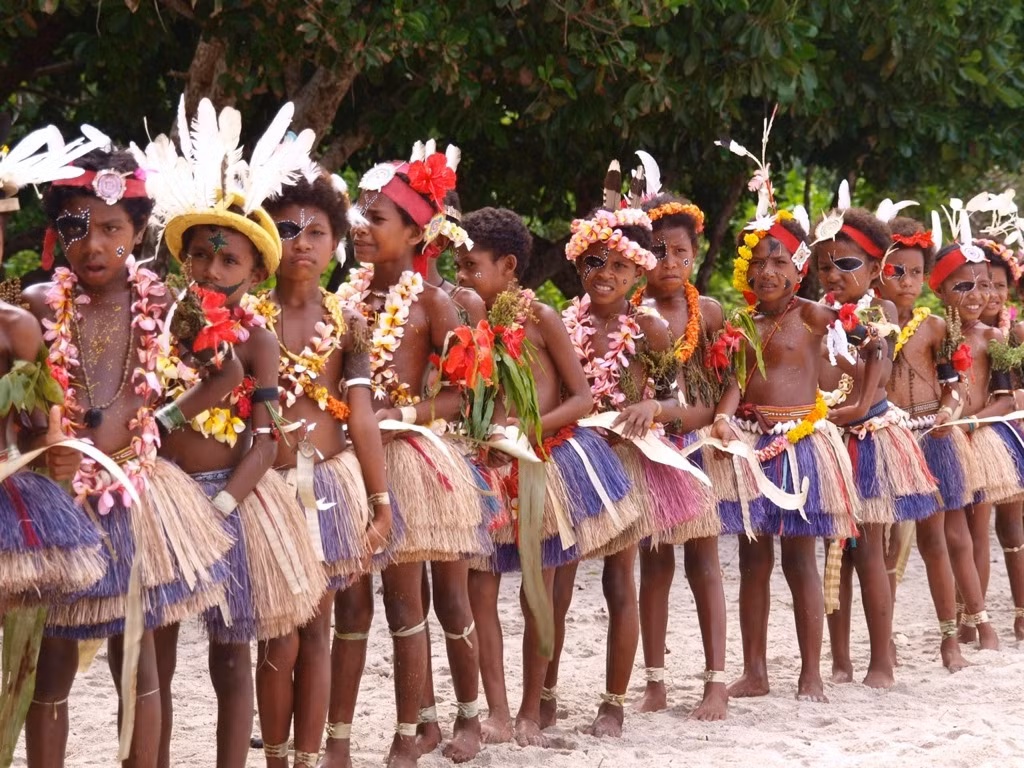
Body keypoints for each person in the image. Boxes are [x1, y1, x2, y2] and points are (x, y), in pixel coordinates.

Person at [136, 97, 332, 768]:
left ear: (255, 274)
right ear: (184, 260)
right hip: (164, 494)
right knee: (153, 643)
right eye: (200, 257)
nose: (211, 272)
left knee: (232, 648)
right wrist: (191, 401)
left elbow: (269, 437)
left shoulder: (260, 339)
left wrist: (225, 505)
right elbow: (151, 415)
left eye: (229, 263)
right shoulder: (161, 324)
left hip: (233, 498)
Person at [23, 144, 234, 768]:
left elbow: (226, 374)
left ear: (138, 230)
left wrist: (160, 419)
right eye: (75, 228)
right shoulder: (36, 303)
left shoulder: (169, 303)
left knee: (139, 663)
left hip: (139, 494)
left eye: (111, 228)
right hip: (60, 499)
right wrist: (41, 443)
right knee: (52, 664)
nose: (93, 245)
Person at [337, 142, 491, 767]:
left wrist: (400, 415)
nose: (361, 230)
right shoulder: (342, 299)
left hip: (421, 460)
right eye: (360, 217)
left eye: (376, 219)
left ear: (413, 231)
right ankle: (417, 725)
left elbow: (466, 394)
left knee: (442, 599)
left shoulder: (433, 303)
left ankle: (465, 719)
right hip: (358, 460)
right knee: (383, 601)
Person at [454, 206, 630, 746]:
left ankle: (532, 710)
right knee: (479, 589)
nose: (460, 275)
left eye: (471, 265)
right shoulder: (461, 320)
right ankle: (499, 712)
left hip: (543, 463)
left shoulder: (541, 318)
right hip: (485, 466)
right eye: (456, 264)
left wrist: (527, 429)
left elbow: (580, 398)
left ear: (508, 266)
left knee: (540, 590)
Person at [552, 164, 709, 737]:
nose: (606, 274)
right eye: (596, 262)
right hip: (571, 459)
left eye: (621, 264)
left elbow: (686, 407)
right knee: (557, 582)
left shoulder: (649, 330)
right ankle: (544, 695)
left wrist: (654, 410)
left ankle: (613, 703)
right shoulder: (560, 325)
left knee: (621, 582)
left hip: (624, 463)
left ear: (637, 267)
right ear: (578, 263)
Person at [261, 171, 392, 768]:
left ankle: (310, 759)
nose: (303, 243)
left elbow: (361, 416)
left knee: (316, 631)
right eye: (288, 230)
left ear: (337, 242)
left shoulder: (348, 323)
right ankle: (276, 758)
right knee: (275, 637)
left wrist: (381, 500)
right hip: (263, 492)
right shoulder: (245, 316)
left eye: (317, 231)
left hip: (329, 489)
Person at [813, 205, 941, 688]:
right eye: (825, 264)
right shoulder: (819, 315)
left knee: (869, 552)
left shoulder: (880, 310)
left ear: (873, 268)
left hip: (867, 437)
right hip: (829, 434)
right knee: (835, 553)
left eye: (845, 264)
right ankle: (841, 660)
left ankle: (881, 661)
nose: (832, 273)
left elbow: (879, 371)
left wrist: (856, 405)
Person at [874, 215, 990, 666]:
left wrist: (948, 411)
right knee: (880, 543)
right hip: (886, 437)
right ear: (878, 272)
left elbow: (954, 383)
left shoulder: (938, 328)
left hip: (932, 436)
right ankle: (884, 642)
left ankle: (949, 640)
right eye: (896, 271)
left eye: (917, 272)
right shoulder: (865, 322)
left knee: (935, 539)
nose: (907, 281)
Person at [635, 192, 729, 719]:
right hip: (648, 452)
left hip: (696, 449)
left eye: (679, 253)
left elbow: (716, 394)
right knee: (653, 563)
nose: (668, 263)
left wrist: (677, 416)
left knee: (704, 562)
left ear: (694, 255)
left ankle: (715, 682)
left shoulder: (708, 313)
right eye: (656, 252)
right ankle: (655, 681)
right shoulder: (629, 313)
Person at [971, 239, 1024, 642]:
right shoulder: (959, 329)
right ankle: (972, 616)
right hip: (977, 431)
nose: (991, 294)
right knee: (974, 525)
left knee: (1012, 527)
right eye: (982, 284)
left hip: (1011, 432)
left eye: (999, 285)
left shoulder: (1014, 333)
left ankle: (1021, 614)